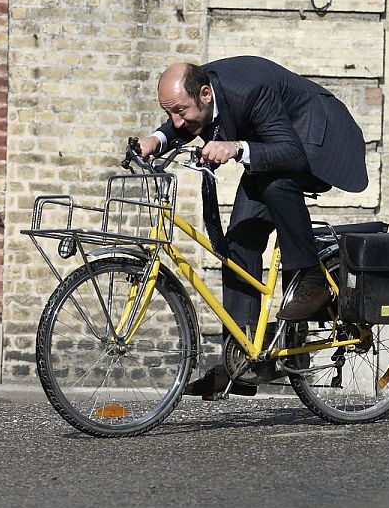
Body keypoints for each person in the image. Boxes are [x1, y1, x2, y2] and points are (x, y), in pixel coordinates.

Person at [136, 57, 368, 398]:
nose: (175, 120)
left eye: (179, 110)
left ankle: (312, 279)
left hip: (318, 138)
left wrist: (236, 147)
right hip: (277, 143)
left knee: (276, 184)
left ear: (205, 94)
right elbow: (185, 119)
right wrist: (156, 139)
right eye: (168, 112)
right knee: (239, 242)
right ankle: (242, 362)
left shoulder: (250, 90)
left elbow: (291, 152)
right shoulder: (198, 90)